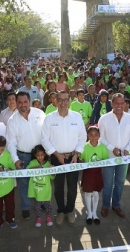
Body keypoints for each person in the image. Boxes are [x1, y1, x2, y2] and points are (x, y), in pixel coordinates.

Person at [41, 90, 87, 226]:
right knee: (59, 186)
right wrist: (56, 154)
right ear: (55, 101)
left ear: (69, 101)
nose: (63, 103)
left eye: (65, 100)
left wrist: (77, 154)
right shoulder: (49, 118)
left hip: (73, 157)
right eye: (60, 100)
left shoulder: (77, 117)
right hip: (56, 158)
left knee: (73, 186)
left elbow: (83, 136)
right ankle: (61, 211)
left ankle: (70, 210)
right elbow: (44, 139)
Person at [7, 91, 46, 220]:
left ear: (29, 101)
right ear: (16, 103)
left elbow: (47, 133)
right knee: (24, 183)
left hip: (40, 155)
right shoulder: (12, 121)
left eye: (25, 102)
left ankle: (41, 202)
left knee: (41, 181)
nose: (23, 105)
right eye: (20, 102)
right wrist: (15, 160)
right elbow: (11, 143)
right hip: (23, 156)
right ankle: (25, 207)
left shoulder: (40, 114)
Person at [98, 93, 130, 218]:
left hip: (124, 157)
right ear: (112, 104)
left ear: (125, 104)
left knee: (120, 182)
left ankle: (116, 205)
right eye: (117, 103)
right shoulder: (104, 119)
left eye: (122, 103)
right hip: (109, 156)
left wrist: (127, 149)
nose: (119, 106)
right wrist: (112, 148)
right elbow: (101, 138)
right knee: (108, 183)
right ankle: (105, 205)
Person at [80, 126, 108, 225]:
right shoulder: (84, 146)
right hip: (88, 173)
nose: (93, 137)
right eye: (91, 135)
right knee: (88, 193)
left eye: (96, 135)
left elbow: (105, 160)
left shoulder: (102, 147)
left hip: (97, 174)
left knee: (96, 194)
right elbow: (81, 159)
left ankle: (95, 213)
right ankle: (89, 213)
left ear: (99, 135)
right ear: (87, 136)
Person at [27, 145, 55, 227]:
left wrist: (52, 171)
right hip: (36, 188)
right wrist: (35, 168)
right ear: (35, 155)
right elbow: (27, 171)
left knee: (47, 204)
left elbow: (52, 177)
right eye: (38, 155)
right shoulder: (33, 163)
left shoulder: (48, 164)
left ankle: (48, 216)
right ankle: (38, 217)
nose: (40, 157)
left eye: (42, 155)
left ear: (45, 154)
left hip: (46, 189)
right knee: (37, 203)